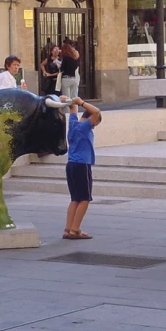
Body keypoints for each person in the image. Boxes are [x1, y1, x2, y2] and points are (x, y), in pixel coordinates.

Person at [63, 95, 101, 240]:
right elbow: (96, 112)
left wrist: (69, 101)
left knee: (75, 199)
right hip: (82, 165)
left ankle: (68, 229)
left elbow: (72, 109)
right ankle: (75, 229)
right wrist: (82, 102)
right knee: (85, 198)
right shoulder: (85, 127)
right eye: (95, 124)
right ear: (93, 120)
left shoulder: (73, 125)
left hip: (71, 165)